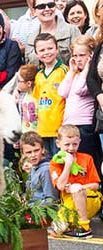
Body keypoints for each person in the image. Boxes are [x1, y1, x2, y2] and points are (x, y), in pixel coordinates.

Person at [58, 35, 102, 176]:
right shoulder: (76, 75)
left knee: (86, 160)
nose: (78, 59)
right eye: (75, 55)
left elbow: (80, 89)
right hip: (70, 125)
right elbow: (62, 91)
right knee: (72, 162)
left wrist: (89, 67)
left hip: (85, 126)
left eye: (82, 55)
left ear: (91, 55)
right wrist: (71, 71)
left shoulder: (90, 77)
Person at [49, 125, 101, 239]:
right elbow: (60, 186)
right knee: (55, 231)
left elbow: (96, 185)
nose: (71, 148)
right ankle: (73, 225)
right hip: (69, 203)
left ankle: (85, 228)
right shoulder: (54, 163)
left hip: (90, 199)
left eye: (75, 144)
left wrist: (79, 188)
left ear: (79, 142)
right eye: (67, 144)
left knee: (76, 188)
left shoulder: (87, 158)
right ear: (58, 143)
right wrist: (68, 164)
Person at [33, 33, 67, 154]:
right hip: (42, 130)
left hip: (59, 129)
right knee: (47, 164)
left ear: (57, 49)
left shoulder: (64, 71)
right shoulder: (38, 76)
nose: (46, 52)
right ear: (36, 54)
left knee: (59, 162)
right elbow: (36, 101)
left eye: (50, 48)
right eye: (42, 50)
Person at [25, 0, 81, 65]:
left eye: (50, 5)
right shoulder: (30, 39)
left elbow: (81, 59)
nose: (47, 9)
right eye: (41, 6)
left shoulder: (72, 31)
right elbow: (29, 67)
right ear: (34, 11)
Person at [19, 131, 59, 204]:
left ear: (43, 149)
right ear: (23, 154)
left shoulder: (46, 170)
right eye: (29, 152)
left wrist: (28, 206)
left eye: (36, 150)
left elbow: (52, 200)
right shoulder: (33, 167)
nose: (33, 155)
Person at [16, 64, 39, 133]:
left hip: (38, 134)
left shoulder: (38, 97)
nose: (17, 83)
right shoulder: (22, 96)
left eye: (19, 81)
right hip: (25, 133)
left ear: (29, 83)